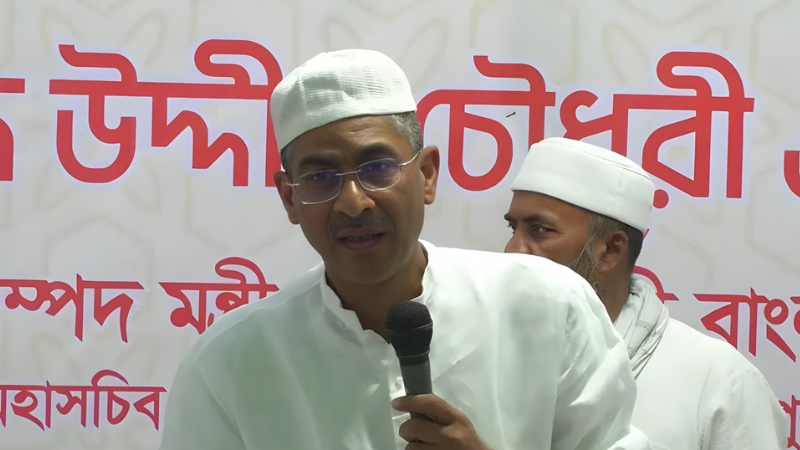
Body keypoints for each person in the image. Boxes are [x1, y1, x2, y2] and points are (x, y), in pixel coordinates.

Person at [159, 50, 651, 450]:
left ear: (427, 175)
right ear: (290, 198)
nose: (353, 202)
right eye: (321, 178)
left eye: (377, 168)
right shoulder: (231, 361)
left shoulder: (548, 305)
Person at [503, 137, 788, 450]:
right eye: (513, 229)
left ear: (611, 250)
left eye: (540, 230)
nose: (513, 250)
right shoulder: (489, 353)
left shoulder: (719, 379)